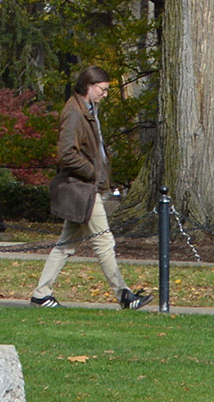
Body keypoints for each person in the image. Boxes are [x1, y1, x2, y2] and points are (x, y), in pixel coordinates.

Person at [30, 66, 151, 310]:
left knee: (66, 244)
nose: (105, 94)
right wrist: (93, 173)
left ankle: (41, 294)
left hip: (86, 187)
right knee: (104, 241)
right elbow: (66, 154)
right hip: (82, 188)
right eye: (103, 89)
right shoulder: (75, 113)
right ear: (89, 86)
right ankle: (124, 295)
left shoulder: (87, 110)